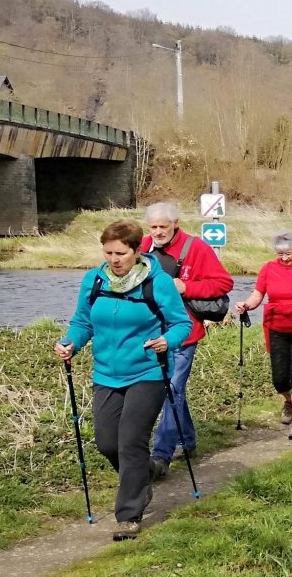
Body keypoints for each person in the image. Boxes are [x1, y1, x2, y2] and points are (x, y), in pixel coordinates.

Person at [55, 220, 192, 541]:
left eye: (121, 253)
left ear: (136, 250)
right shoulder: (94, 279)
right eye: (108, 253)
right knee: (106, 442)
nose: (114, 259)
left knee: (131, 440)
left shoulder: (157, 283)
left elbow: (180, 325)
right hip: (105, 373)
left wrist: (166, 342)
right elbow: (82, 322)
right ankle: (142, 477)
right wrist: (70, 342)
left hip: (147, 372)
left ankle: (129, 515)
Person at [143, 202, 234, 480]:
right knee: (171, 390)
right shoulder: (143, 247)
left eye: (163, 226)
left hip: (184, 332)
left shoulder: (196, 248)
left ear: (176, 224)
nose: (157, 232)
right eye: (153, 227)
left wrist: (187, 287)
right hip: (151, 332)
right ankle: (189, 441)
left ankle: (161, 456)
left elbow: (224, 283)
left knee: (170, 390)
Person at [235, 231, 292, 440]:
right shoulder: (268, 268)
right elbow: (258, 294)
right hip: (277, 326)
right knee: (279, 379)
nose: (284, 258)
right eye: (280, 254)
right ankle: (289, 400)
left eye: (288, 254)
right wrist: (246, 304)